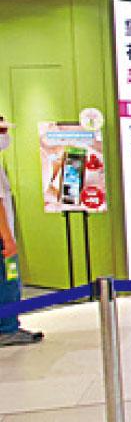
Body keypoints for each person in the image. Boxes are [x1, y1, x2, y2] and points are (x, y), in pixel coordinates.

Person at [0, 116, 42, 347]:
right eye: (2, 131)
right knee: (9, 280)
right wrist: (7, 237)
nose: (5, 136)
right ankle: (7, 328)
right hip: (2, 239)